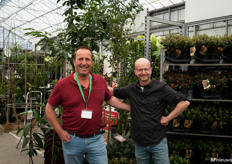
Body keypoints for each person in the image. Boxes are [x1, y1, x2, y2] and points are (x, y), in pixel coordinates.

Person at [45, 46, 131, 164]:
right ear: (74, 61)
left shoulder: (100, 81)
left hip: (96, 139)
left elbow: (109, 99)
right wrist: (60, 131)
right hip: (72, 139)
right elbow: (49, 108)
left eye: (87, 59)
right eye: (80, 59)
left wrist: (130, 108)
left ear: (92, 62)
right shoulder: (63, 84)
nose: (84, 63)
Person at [108, 58, 190, 164]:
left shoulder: (161, 88)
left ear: (150, 70)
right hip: (139, 142)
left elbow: (184, 102)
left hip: (158, 141)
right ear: (135, 72)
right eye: (140, 70)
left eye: (146, 69)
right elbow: (112, 92)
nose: (143, 72)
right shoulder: (131, 89)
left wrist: (168, 117)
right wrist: (94, 84)